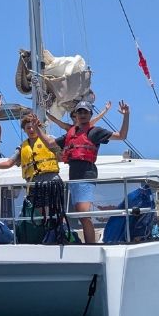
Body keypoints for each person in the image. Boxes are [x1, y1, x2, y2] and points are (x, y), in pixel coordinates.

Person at [54, 100, 130, 244]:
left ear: (90, 115)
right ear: (75, 115)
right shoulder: (72, 133)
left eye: (85, 112)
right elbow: (50, 143)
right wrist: (36, 128)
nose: (82, 114)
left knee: (84, 214)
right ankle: (89, 244)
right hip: (74, 177)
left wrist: (126, 116)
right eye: (79, 112)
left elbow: (121, 136)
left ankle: (90, 245)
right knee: (81, 214)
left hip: (86, 175)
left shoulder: (95, 132)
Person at [0, 112, 61, 183]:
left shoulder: (50, 140)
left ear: (38, 127)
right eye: (28, 128)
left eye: (33, 127)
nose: (31, 130)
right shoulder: (21, 147)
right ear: (24, 130)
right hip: (33, 183)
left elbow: (63, 152)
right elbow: (9, 163)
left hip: (51, 180)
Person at [46, 100, 112, 132]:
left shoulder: (88, 124)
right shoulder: (69, 127)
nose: (75, 118)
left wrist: (106, 109)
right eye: (73, 117)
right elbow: (56, 121)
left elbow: (98, 117)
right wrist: (46, 113)